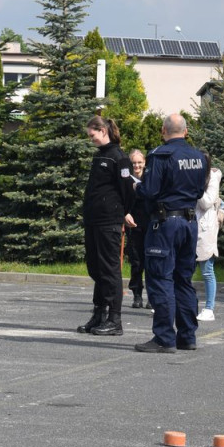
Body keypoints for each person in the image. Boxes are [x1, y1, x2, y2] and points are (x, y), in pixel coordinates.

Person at [133, 113, 207, 353]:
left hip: (165, 224)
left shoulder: (160, 155)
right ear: (186, 132)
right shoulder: (199, 157)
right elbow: (198, 192)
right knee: (183, 279)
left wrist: (137, 186)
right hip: (189, 222)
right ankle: (187, 336)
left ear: (163, 131)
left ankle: (165, 338)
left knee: (160, 278)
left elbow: (150, 190)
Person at [77, 116, 135, 337]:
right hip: (93, 221)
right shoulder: (99, 156)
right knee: (96, 269)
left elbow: (128, 190)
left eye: (92, 135)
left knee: (110, 270)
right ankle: (99, 314)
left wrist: (124, 213)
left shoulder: (118, 157)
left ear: (102, 130)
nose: (90, 139)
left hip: (108, 222)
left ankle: (114, 319)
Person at [195, 161, 224, 322]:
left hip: (206, 229)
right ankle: (182, 304)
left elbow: (206, 202)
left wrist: (195, 186)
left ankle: (209, 308)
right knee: (183, 270)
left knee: (207, 270)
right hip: (191, 225)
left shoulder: (212, 178)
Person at [123, 149, 151, 309]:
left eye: (139, 162)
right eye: (134, 162)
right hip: (133, 225)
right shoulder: (126, 179)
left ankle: (151, 297)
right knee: (136, 262)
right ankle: (137, 295)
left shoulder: (150, 178)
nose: (137, 165)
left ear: (144, 162)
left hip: (149, 224)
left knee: (150, 262)